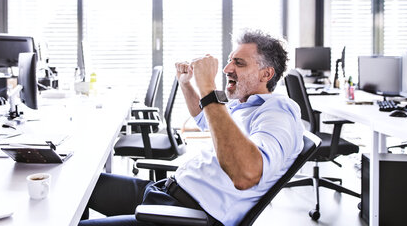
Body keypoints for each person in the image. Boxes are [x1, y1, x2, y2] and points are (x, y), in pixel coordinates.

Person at [79, 29, 304, 226]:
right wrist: (186, 84)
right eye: (230, 60)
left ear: (266, 74)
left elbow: (246, 174)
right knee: (79, 186)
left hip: (185, 216)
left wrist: (208, 87)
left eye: (239, 63)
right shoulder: (242, 104)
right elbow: (204, 118)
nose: (226, 69)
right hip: (164, 192)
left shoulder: (278, 112)